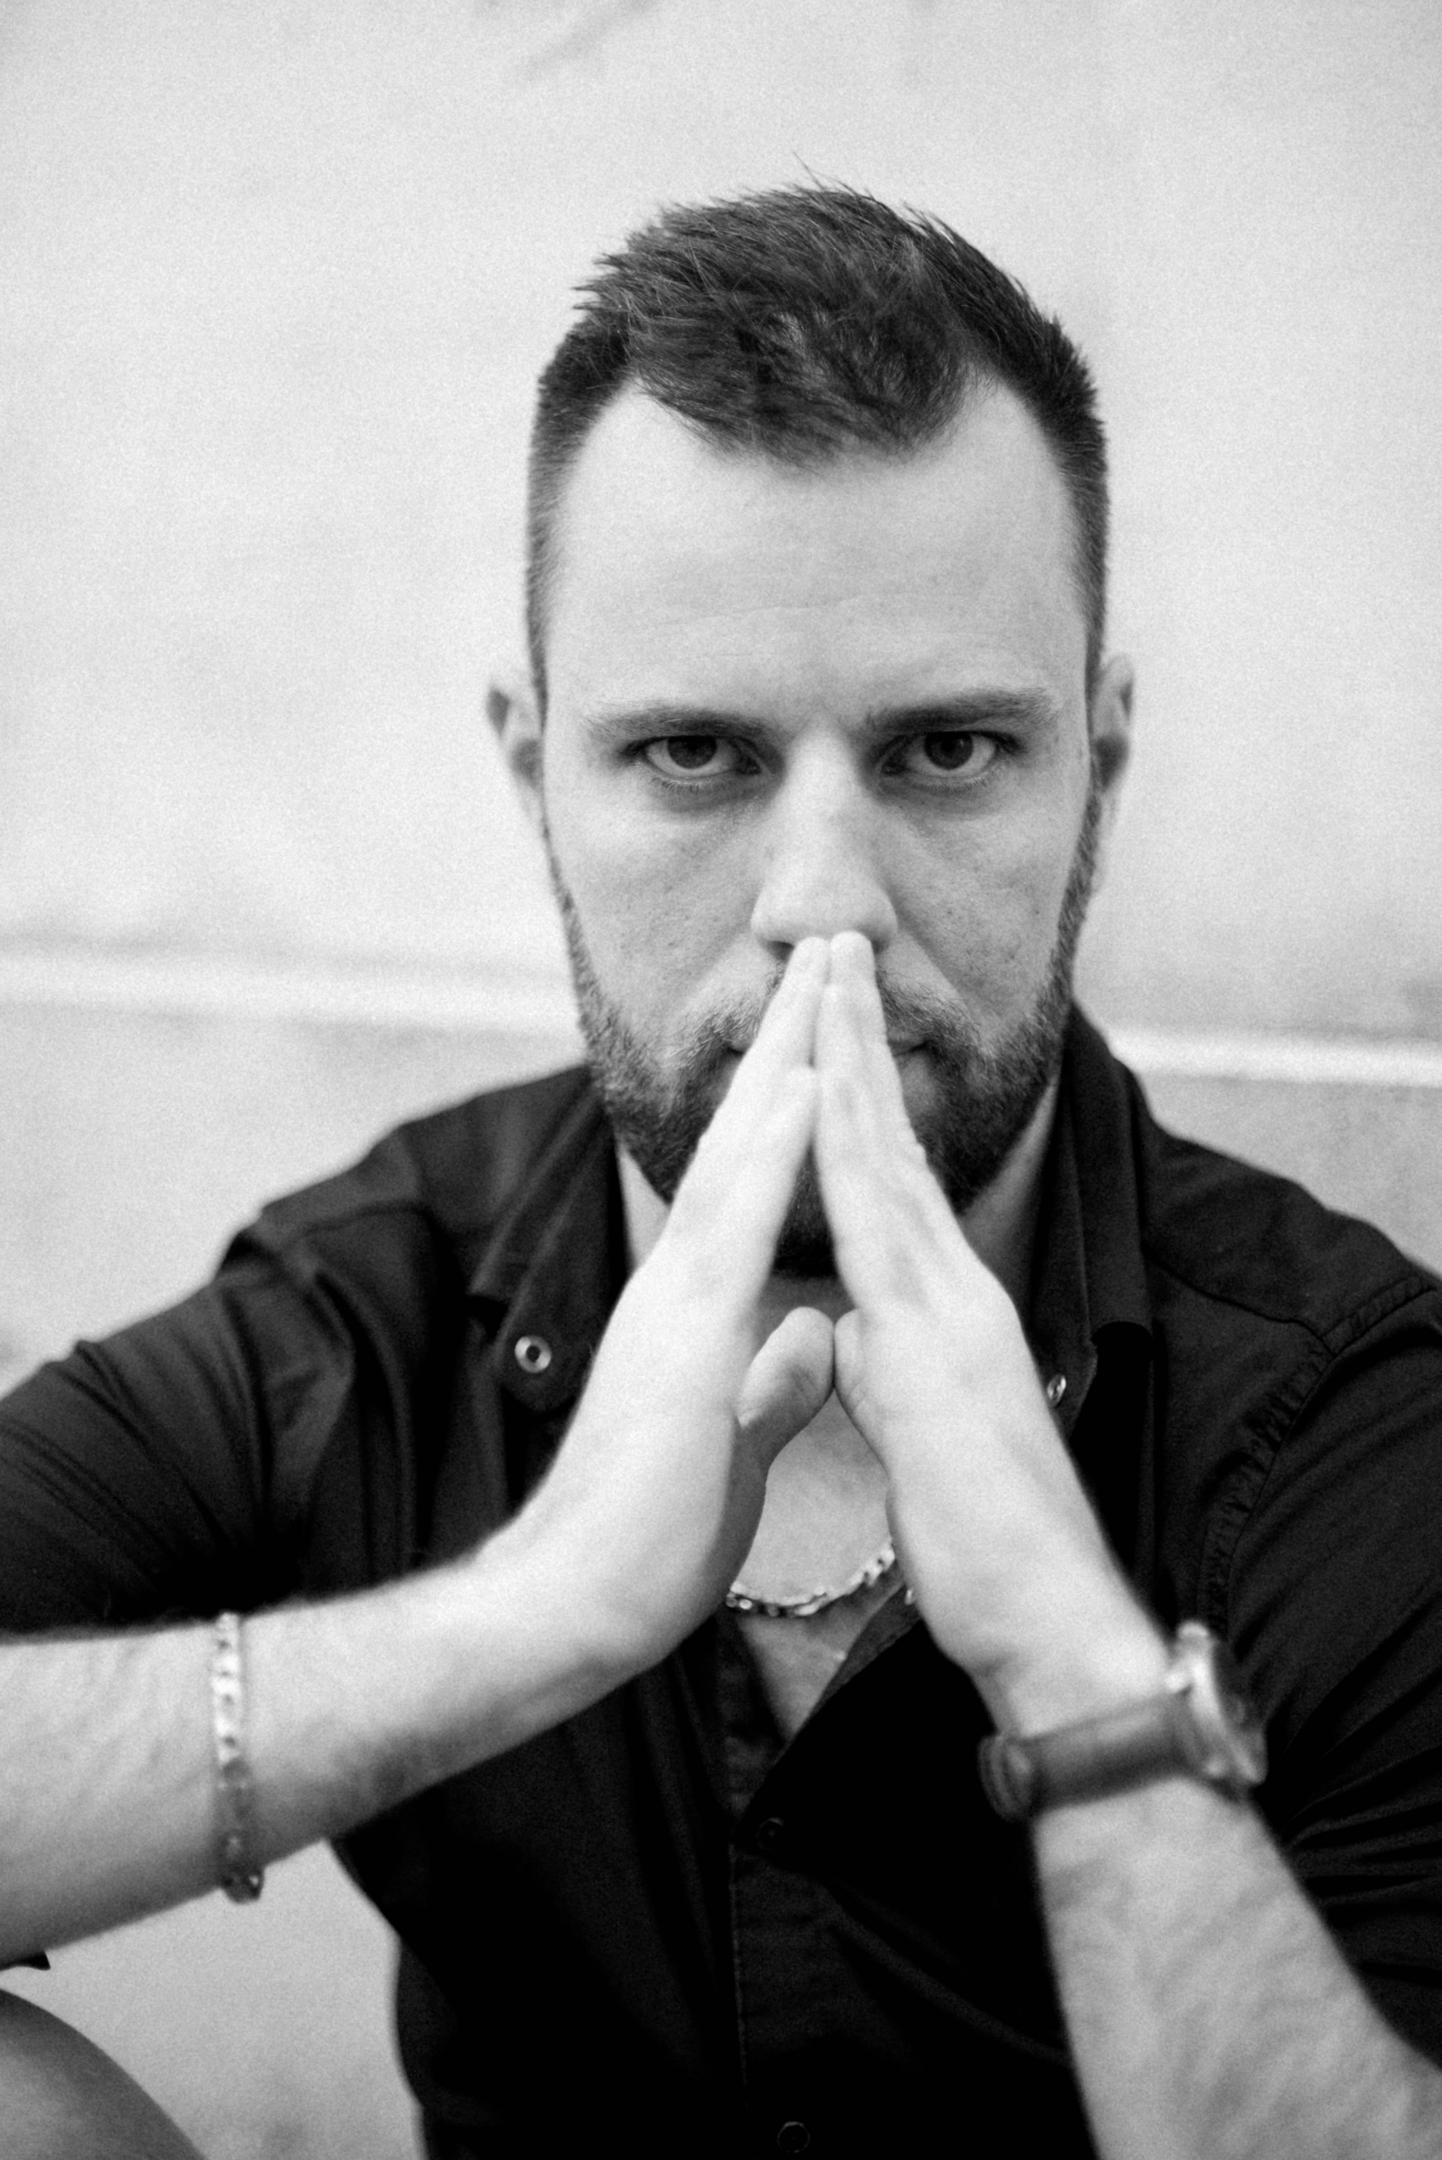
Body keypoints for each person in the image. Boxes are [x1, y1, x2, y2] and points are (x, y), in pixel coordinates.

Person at [2, 184, 1442, 2160]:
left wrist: (1075, 1672)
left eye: (946, 753)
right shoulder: (375, 1311)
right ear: (534, 772)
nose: (820, 908)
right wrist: (537, 1612)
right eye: (693, 756)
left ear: (1098, 758)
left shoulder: (1348, 1423)